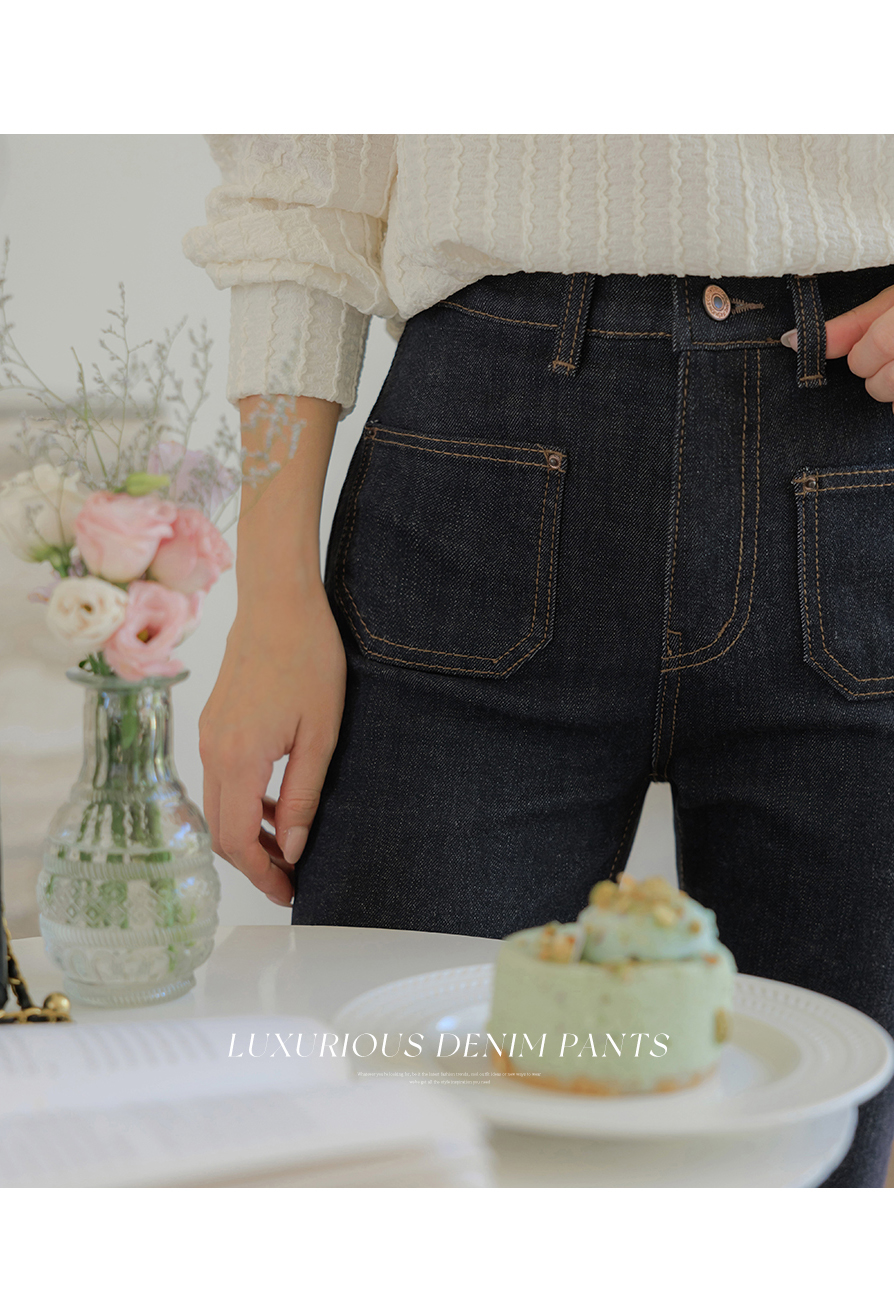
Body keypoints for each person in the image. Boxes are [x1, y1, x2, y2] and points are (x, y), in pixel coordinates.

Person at [183, 135, 894, 1187]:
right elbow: (300, 191)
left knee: (826, 1174)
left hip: (857, 441)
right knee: (392, 1156)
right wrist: (272, 595)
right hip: (480, 477)